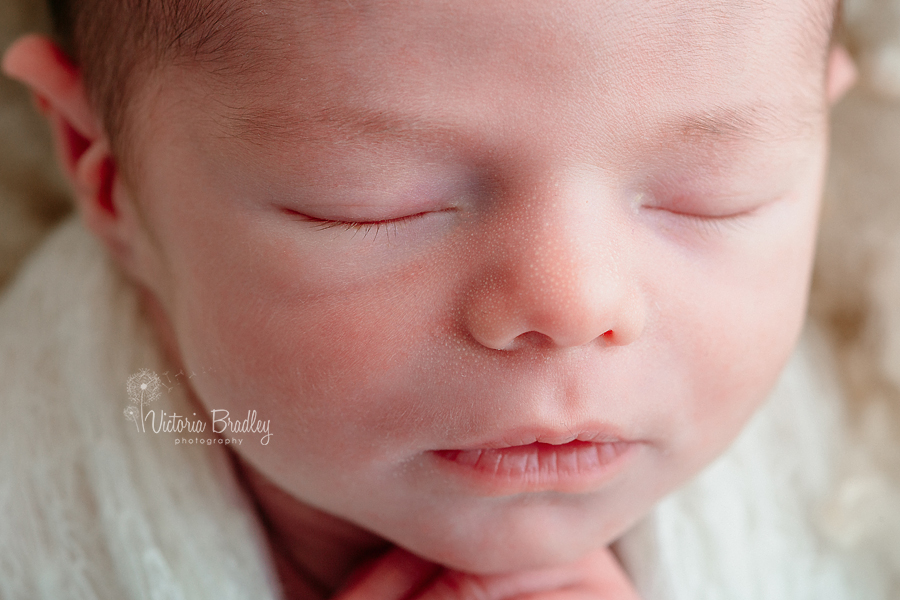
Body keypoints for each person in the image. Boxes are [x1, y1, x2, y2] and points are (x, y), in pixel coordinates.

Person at [0, 0, 886, 598]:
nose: (573, 304)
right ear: (107, 172)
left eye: (714, 191)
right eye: (373, 199)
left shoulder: (864, 472)